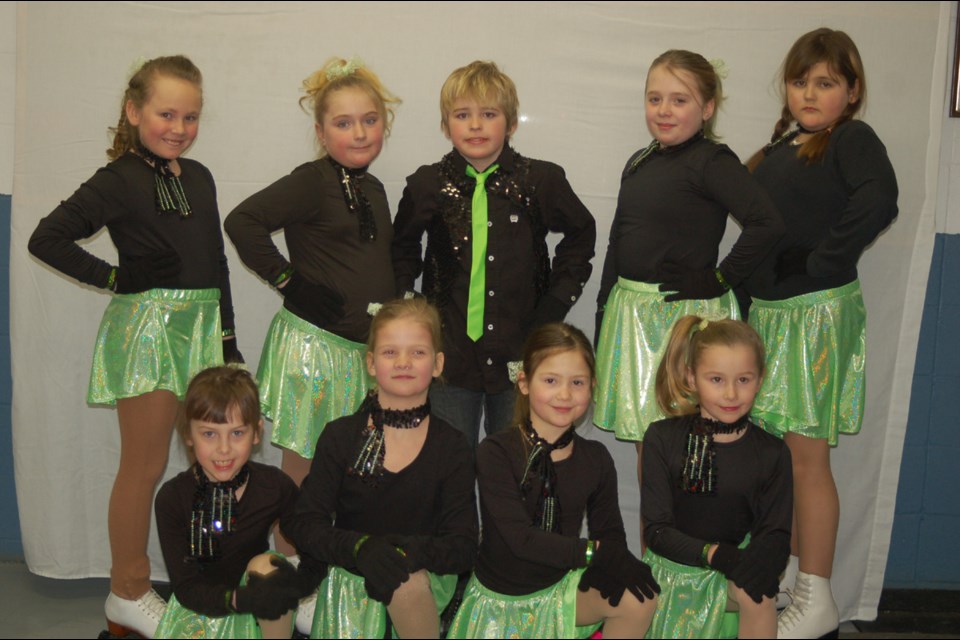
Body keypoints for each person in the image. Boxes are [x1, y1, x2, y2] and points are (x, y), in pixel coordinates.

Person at [27, 55, 241, 638]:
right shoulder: (118, 178)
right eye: (166, 113)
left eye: (190, 116)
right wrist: (117, 280)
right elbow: (46, 238)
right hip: (148, 333)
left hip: (200, 330)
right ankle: (127, 590)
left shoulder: (198, 176)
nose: (178, 127)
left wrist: (227, 338)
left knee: (213, 463)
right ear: (133, 111)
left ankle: (202, 581)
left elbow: (217, 264)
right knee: (144, 466)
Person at [743, 28, 898, 639]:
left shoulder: (852, 139)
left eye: (826, 82)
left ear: (852, 92)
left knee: (808, 461)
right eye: (801, 80)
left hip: (814, 317)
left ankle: (818, 596)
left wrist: (820, 262)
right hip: (773, 318)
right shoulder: (780, 150)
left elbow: (880, 200)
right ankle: (787, 579)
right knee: (782, 460)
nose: (811, 92)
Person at [593, 49, 783, 501]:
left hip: (683, 324)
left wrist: (720, 279)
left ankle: (702, 558)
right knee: (650, 448)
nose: (664, 110)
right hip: (633, 320)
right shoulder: (639, 160)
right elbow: (619, 241)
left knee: (695, 445)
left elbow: (767, 223)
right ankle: (659, 559)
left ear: (708, 107)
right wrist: (604, 312)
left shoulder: (712, 161)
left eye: (679, 100)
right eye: (654, 98)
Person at [225, 57, 401, 526]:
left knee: (351, 475)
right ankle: (299, 589)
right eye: (344, 123)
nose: (360, 133)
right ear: (322, 133)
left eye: (369, 120)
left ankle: (333, 585)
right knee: (304, 476)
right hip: (311, 353)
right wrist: (290, 282)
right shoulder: (311, 180)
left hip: (357, 355)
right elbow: (242, 222)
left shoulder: (376, 189)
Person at [392, 60, 596, 449]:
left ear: (512, 123)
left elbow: (581, 234)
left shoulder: (541, 180)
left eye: (489, 114)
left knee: (517, 465)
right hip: (449, 357)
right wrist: (411, 307)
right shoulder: (426, 184)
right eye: (462, 115)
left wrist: (554, 304)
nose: (475, 125)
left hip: (520, 352)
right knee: (449, 463)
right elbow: (402, 247)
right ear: (445, 124)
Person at [282, 298, 478, 639]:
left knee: (404, 582)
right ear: (371, 363)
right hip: (350, 588)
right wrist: (360, 549)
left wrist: (403, 552)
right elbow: (302, 523)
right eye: (390, 353)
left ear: (437, 363)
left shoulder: (453, 446)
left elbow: (462, 545)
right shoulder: (341, 435)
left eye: (417, 352)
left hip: (419, 582)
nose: (404, 362)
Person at [448, 322, 658, 639]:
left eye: (577, 382)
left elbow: (610, 535)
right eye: (550, 380)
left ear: (592, 387)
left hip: (561, 591)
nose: (564, 394)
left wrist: (614, 559)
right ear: (524, 382)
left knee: (640, 598)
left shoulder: (596, 457)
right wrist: (595, 553)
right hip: (501, 603)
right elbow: (521, 540)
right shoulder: (496, 451)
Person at [642, 316, 792, 638]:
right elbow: (656, 531)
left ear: (761, 379)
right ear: (691, 378)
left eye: (743, 379)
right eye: (716, 379)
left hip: (733, 570)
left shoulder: (772, 451)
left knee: (759, 594)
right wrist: (715, 554)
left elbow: (776, 532)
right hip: (674, 573)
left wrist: (763, 562)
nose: (731, 394)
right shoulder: (661, 438)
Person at [154, 366, 312, 638]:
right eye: (209, 434)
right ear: (188, 435)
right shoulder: (172, 498)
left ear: (256, 432)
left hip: (259, 607)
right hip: (200, 615)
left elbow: (314, 539)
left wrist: (301, 585)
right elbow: (186, 588)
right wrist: (242, 600)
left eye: (237, 433)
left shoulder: (274, 486)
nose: (224, 448)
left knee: (269, 567)